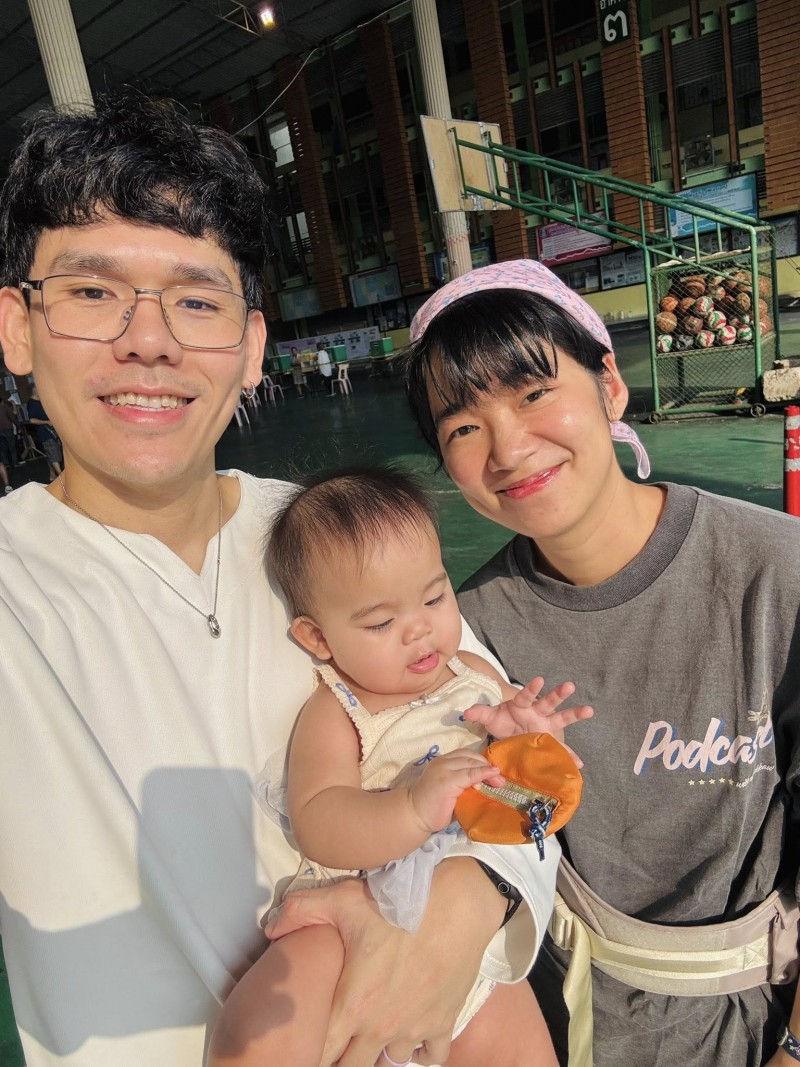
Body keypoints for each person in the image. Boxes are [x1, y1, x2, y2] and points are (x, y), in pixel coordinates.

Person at [0, 98, 560, 1067]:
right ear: (17, 326)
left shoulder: (338, 537)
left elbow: (516, 774)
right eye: (91, 292)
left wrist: (467, 903)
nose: (148, 340)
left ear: (253, 345)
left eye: (196, 300)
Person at [403, 259, 800, 1067]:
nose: (509, 448)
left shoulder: (776, 575)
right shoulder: (469, 634)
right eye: (463, 428)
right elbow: (496, 839)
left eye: (533, 392)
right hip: (567, 1024)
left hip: (758, 1029)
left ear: (610, 384)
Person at [209, 466, 592, 1067]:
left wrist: (534, 743)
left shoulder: (473, 673)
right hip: (350, 906)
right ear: (318, 638)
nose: (420, 629)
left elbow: (527, 806)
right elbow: (319, 820)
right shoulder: (340, 711)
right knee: (262, 1025)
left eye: (435, 597)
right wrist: (411, 807)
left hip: (471, 929)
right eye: (381, 623)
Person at [25, 383, 63, 481]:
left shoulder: (41, 400)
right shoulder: (32, 404)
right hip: (45, 432)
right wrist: (46, 422)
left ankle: (52, 475)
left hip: (52, 431)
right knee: (53, 454)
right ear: (34, 391)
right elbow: (32, 420)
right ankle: (61, 475)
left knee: (51, 454)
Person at [0, 397, 17, 493]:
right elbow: (13, 417)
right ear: (2, 401)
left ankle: (6, 462)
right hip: (7, 429)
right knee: (12, 447)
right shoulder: (5, 407)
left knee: (3, 449)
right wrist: (18, 426)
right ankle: (14, 463)